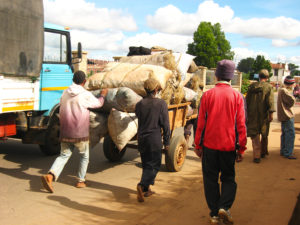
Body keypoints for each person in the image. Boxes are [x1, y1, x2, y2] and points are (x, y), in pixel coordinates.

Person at [194, 60, 247, 225]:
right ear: (231, 77)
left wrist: (198, 145)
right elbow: (241, 124)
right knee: (228, 178)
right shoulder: (237, 96)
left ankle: (214, 214)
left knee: (210, 180)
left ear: (216, 75)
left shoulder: (207, 95)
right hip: (229, 146)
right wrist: (242, 148)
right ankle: (224, 206)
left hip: (209, 146)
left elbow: (201, 123)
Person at [41, 70, 108, 193]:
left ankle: (50, 176)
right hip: (79, 133)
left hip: (65, 131)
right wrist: (103, 95)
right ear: (84, 81)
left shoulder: (65, 92)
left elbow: (61, 106)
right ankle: (81, 181)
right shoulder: (85, 94)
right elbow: (98, 104)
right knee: (84, 156)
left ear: (73, 80)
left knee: (64, 155)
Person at [135, 78, 170, 202]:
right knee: (155, 165)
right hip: (154, 139)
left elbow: (139, 118)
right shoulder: (161, 104)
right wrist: (167, 142)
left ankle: (147, 190)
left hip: (142, 138)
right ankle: (142, 185)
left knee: (146, 165)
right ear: (156, 89)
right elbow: (165, 124)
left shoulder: (139, 104)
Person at [246, 69, 275, 163]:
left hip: (252, 114)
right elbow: (270, 101)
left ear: (259, 76)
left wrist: (246, 114)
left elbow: (247, 101)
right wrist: (271, 114)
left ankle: (256, 155)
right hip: (264, 114)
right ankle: (263, 152)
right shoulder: (269, 87)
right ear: (267, 77)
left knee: (255, 135)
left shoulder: (251, 86)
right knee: (264, 133)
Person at [277, 76, 296, 159]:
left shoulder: (281, 90)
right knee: (290, 134)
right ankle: (288, 152)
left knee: (285, 134)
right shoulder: (284, 91)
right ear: (291, 84)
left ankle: (284, 150)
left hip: (283, 115)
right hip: (287, 115)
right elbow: (292, 100)